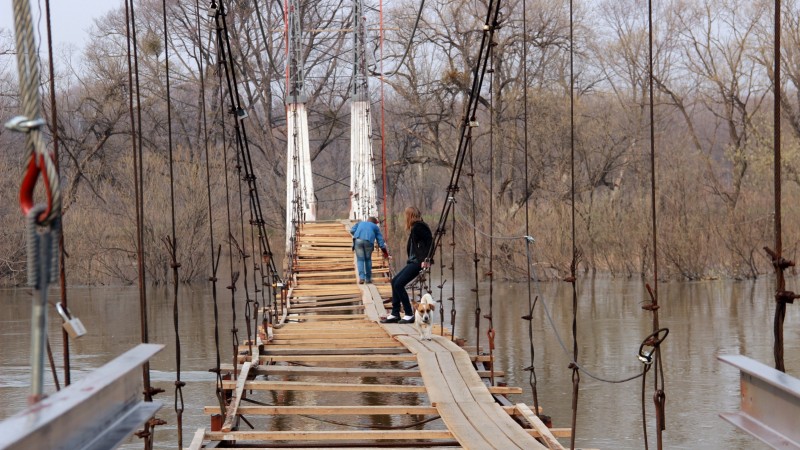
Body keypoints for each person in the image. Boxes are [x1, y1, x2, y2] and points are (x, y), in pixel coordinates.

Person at [381, 206, 432, 324]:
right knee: (395, 282)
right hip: (414, 261)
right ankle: (395, 313)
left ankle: (409, 314)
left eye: (406, 215)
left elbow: (430, 243)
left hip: (418, 262)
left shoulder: (419, 227)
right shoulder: (416, 227)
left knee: (399, 284)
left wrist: (426, 259)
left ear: (410, 216)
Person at [350, 217, 389, 284]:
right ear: (374, 223)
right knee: (368, 260)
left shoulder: (360, 223)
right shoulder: (375, 227)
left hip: (358, 240)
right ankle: (368, 279)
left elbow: (352, 230)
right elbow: (380, 241)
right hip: (369, 242)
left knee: (360, 260)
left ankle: (362, 278)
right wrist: (385, 252)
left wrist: (358, 234)